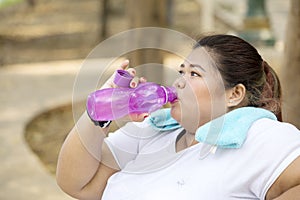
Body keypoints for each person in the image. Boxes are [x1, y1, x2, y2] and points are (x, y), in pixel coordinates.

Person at [56, 34, 300, 200]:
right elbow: (77, 184)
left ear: (234, 94)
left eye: (194, 74)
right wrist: (99, 114)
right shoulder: (151, 131)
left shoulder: (259, 136)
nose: (179, 82)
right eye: (181, 71)